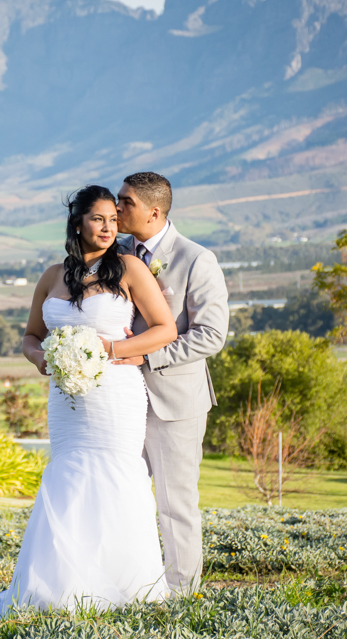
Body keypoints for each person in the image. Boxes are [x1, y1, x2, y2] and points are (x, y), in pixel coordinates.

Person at [0, 185, 178, 618]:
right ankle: (61, 586)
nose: (108, 228)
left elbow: (166, 329)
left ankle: (129, 586)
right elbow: (31, 336)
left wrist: (111, 349)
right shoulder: (52, 276)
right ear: (77, 223)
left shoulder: (129, 268)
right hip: (65, 400)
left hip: (115, 396)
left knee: (115, 478)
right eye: (98, 219)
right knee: (68, 479)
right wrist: (41, 358)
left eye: (113, 220)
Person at [114, 172, 230, 595]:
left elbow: (211, 335)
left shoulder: (197, 259)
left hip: (175, 403)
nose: (116, 208)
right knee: (122, 498)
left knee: (175, 505)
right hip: (119, 400)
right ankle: (126, 587)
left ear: (154, 212)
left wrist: (148, 356)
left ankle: (181, 596)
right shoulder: (115, 254)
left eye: (126, 202)